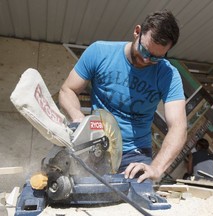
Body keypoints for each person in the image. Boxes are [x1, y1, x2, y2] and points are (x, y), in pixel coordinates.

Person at [59, 10, 187, 183]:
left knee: (136, 195)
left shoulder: (168, 75)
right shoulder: (100, 52)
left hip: (135, 154)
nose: (146, 60)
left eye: (156, 57)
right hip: (95, 146)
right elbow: (68, 90)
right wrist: (80, 120)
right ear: (137, 32)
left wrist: (156, 168)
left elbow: (178, 127)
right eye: (145, 50)